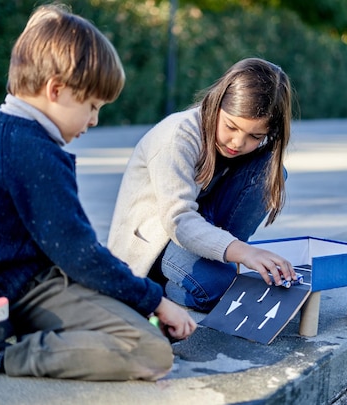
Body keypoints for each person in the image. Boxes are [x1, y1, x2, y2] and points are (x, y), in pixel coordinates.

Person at [0, 3, 196, 381]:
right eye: (92, 106)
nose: (94, 120)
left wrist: (133, 300)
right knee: (149, 351)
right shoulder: (32, 151)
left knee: (130, 318)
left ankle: (14, 337)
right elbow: (81, 255)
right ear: (56, 89)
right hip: (17, 291)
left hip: (0, 283)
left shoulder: (8, 130)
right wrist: (156, 300)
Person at [108, 58, 297, 312]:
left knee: (271, 172)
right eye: (231, 126)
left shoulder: (239, 143)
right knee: (217, 289)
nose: (238, 142)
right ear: (217, 103)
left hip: (199, 231)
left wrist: (242, 254)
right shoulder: (178, 137)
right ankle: (162, 289)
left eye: (255, 136)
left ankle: (216, 267)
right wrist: (245, 253)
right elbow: (179, 221)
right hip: (159, 243)